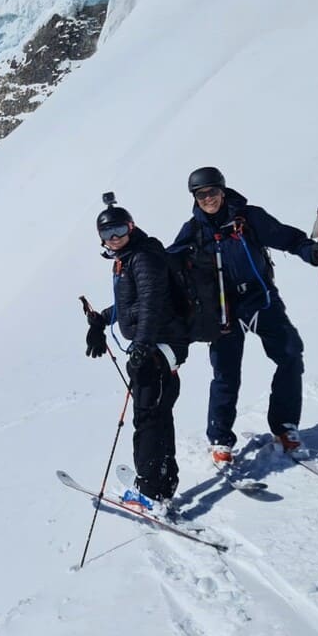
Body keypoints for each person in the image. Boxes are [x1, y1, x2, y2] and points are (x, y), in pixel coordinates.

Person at [172, 167, 318, 465]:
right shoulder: (193, 231)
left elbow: (285, 237)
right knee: (226, 373)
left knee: (290, 355)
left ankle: (285, 427)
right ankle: (221, 438)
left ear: (223, 190)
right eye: (201, 194)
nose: (208, 198)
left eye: (212, 192)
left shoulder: (248, 217)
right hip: (222, 311)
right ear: (194, 198)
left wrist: (312, 251)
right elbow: (168, 266)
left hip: (259, 299)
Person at [85, 197, 189, 511]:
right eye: (107, 233)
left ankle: (150, 492)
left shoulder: (142, 258)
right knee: (158, 414)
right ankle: (163, 481)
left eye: (119, 229)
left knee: (146, 418)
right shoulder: (129, 257)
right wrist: (103, 318)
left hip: (157, 348)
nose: (114, 237)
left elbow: (152, 303)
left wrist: (142, 343)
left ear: (131, 227)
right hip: (160, 347)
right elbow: (134, 303)